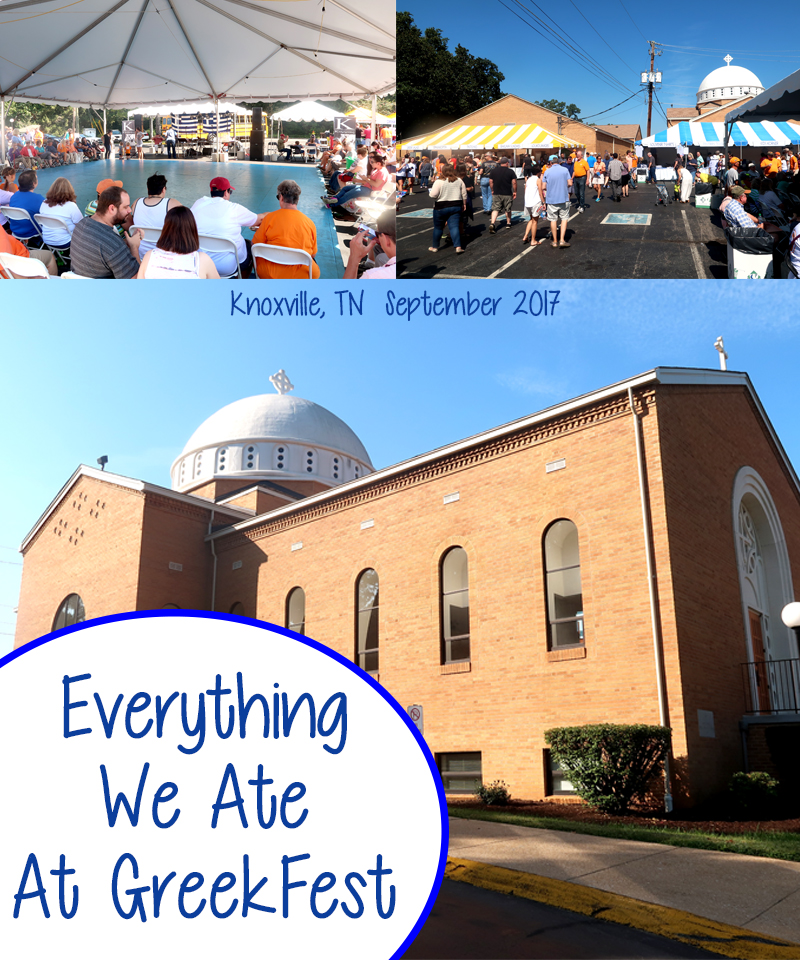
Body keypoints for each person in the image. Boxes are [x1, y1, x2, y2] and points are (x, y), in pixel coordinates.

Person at [191, 176, 264, 278]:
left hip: (200, 262)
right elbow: (259, 220)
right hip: (226, 267)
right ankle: (240, 282)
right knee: (249, 246)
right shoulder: (234, 209)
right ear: (226, 193)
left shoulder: (198, 204)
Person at [251, 179, 320, 280]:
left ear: (281, 198)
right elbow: (313, 254)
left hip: (268, 273)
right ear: (297, 199)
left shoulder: (269, 218)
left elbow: (255, 245)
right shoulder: (309, 223)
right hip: (301, 275)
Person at [69, 185, 142, 278]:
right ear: (112, 209)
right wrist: (134, 247)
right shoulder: (114, 244)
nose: (129, 210)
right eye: (126, 207)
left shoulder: (81, 224)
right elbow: (137, 283)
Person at [137, 207, 219, 279]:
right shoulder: (202, 260)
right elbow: (221, 290)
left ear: (165, 229)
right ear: (192, 229)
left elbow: (140, 288)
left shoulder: (149, 256)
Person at [132, 173, 182, 258]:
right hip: (163, 255)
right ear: (163, 189)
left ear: (148, 189)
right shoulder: (172, 203)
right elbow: (188, 220)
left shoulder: (137, 202)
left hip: (140, 255)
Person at [343, 210, 396, 279]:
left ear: (386, 239)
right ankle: (369, 264)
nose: (377, 237)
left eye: (378, 234)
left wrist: (354, 258)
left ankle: (369, 264)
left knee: (380, 257)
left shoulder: (373, 276)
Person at [428, 163, 466, 254]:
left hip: (441, 207)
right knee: (454, 227)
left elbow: (433, 195)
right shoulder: (459, 180)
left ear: (443, 171)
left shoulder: (439, 182)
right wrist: (464, 204)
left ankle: (435, 247)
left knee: (438, 228)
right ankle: (458, 246)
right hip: (456, 205)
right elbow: (464, 194)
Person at [38, 177, 83, 250]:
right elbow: (81, 224)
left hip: (47, 240)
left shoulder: (44, 203)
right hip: (65, 242)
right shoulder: (71, 206)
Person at [8, 170, 46, 244]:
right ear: (34, 184)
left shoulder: (14, 196)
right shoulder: (39, 199)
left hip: (15, 231)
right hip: (32, 232)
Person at [542, 156, 572, 248]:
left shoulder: (547, 171)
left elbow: (543, 187)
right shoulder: (565, 170)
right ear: (559, 162)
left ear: (551, 162)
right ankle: (562, 240)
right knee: (564, 218)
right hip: (563, 197)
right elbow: (570, 183)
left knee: (553, 219)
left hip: (551, 199)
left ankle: (555, 241)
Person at [488, 157, 516, 233]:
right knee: (508, 209)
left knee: (495, 209)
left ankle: (492, 223)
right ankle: (508, 223)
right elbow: (514, 182)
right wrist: (515, 191)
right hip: (507, 193)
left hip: (497, 192)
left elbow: (490, 181)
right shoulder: (510, 171)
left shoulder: (494, 171)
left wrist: (492, 190)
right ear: (507, 163)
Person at [522, 163, 544, 246]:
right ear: (539, 172)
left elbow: (525, 190)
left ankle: (525, 235)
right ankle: (533, 240)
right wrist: (543, 202)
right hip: (535, 202)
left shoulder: (528, 179)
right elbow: (540, 192)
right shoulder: (538, 180)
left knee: (531, 219)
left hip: (528, 202)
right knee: (535, 221)